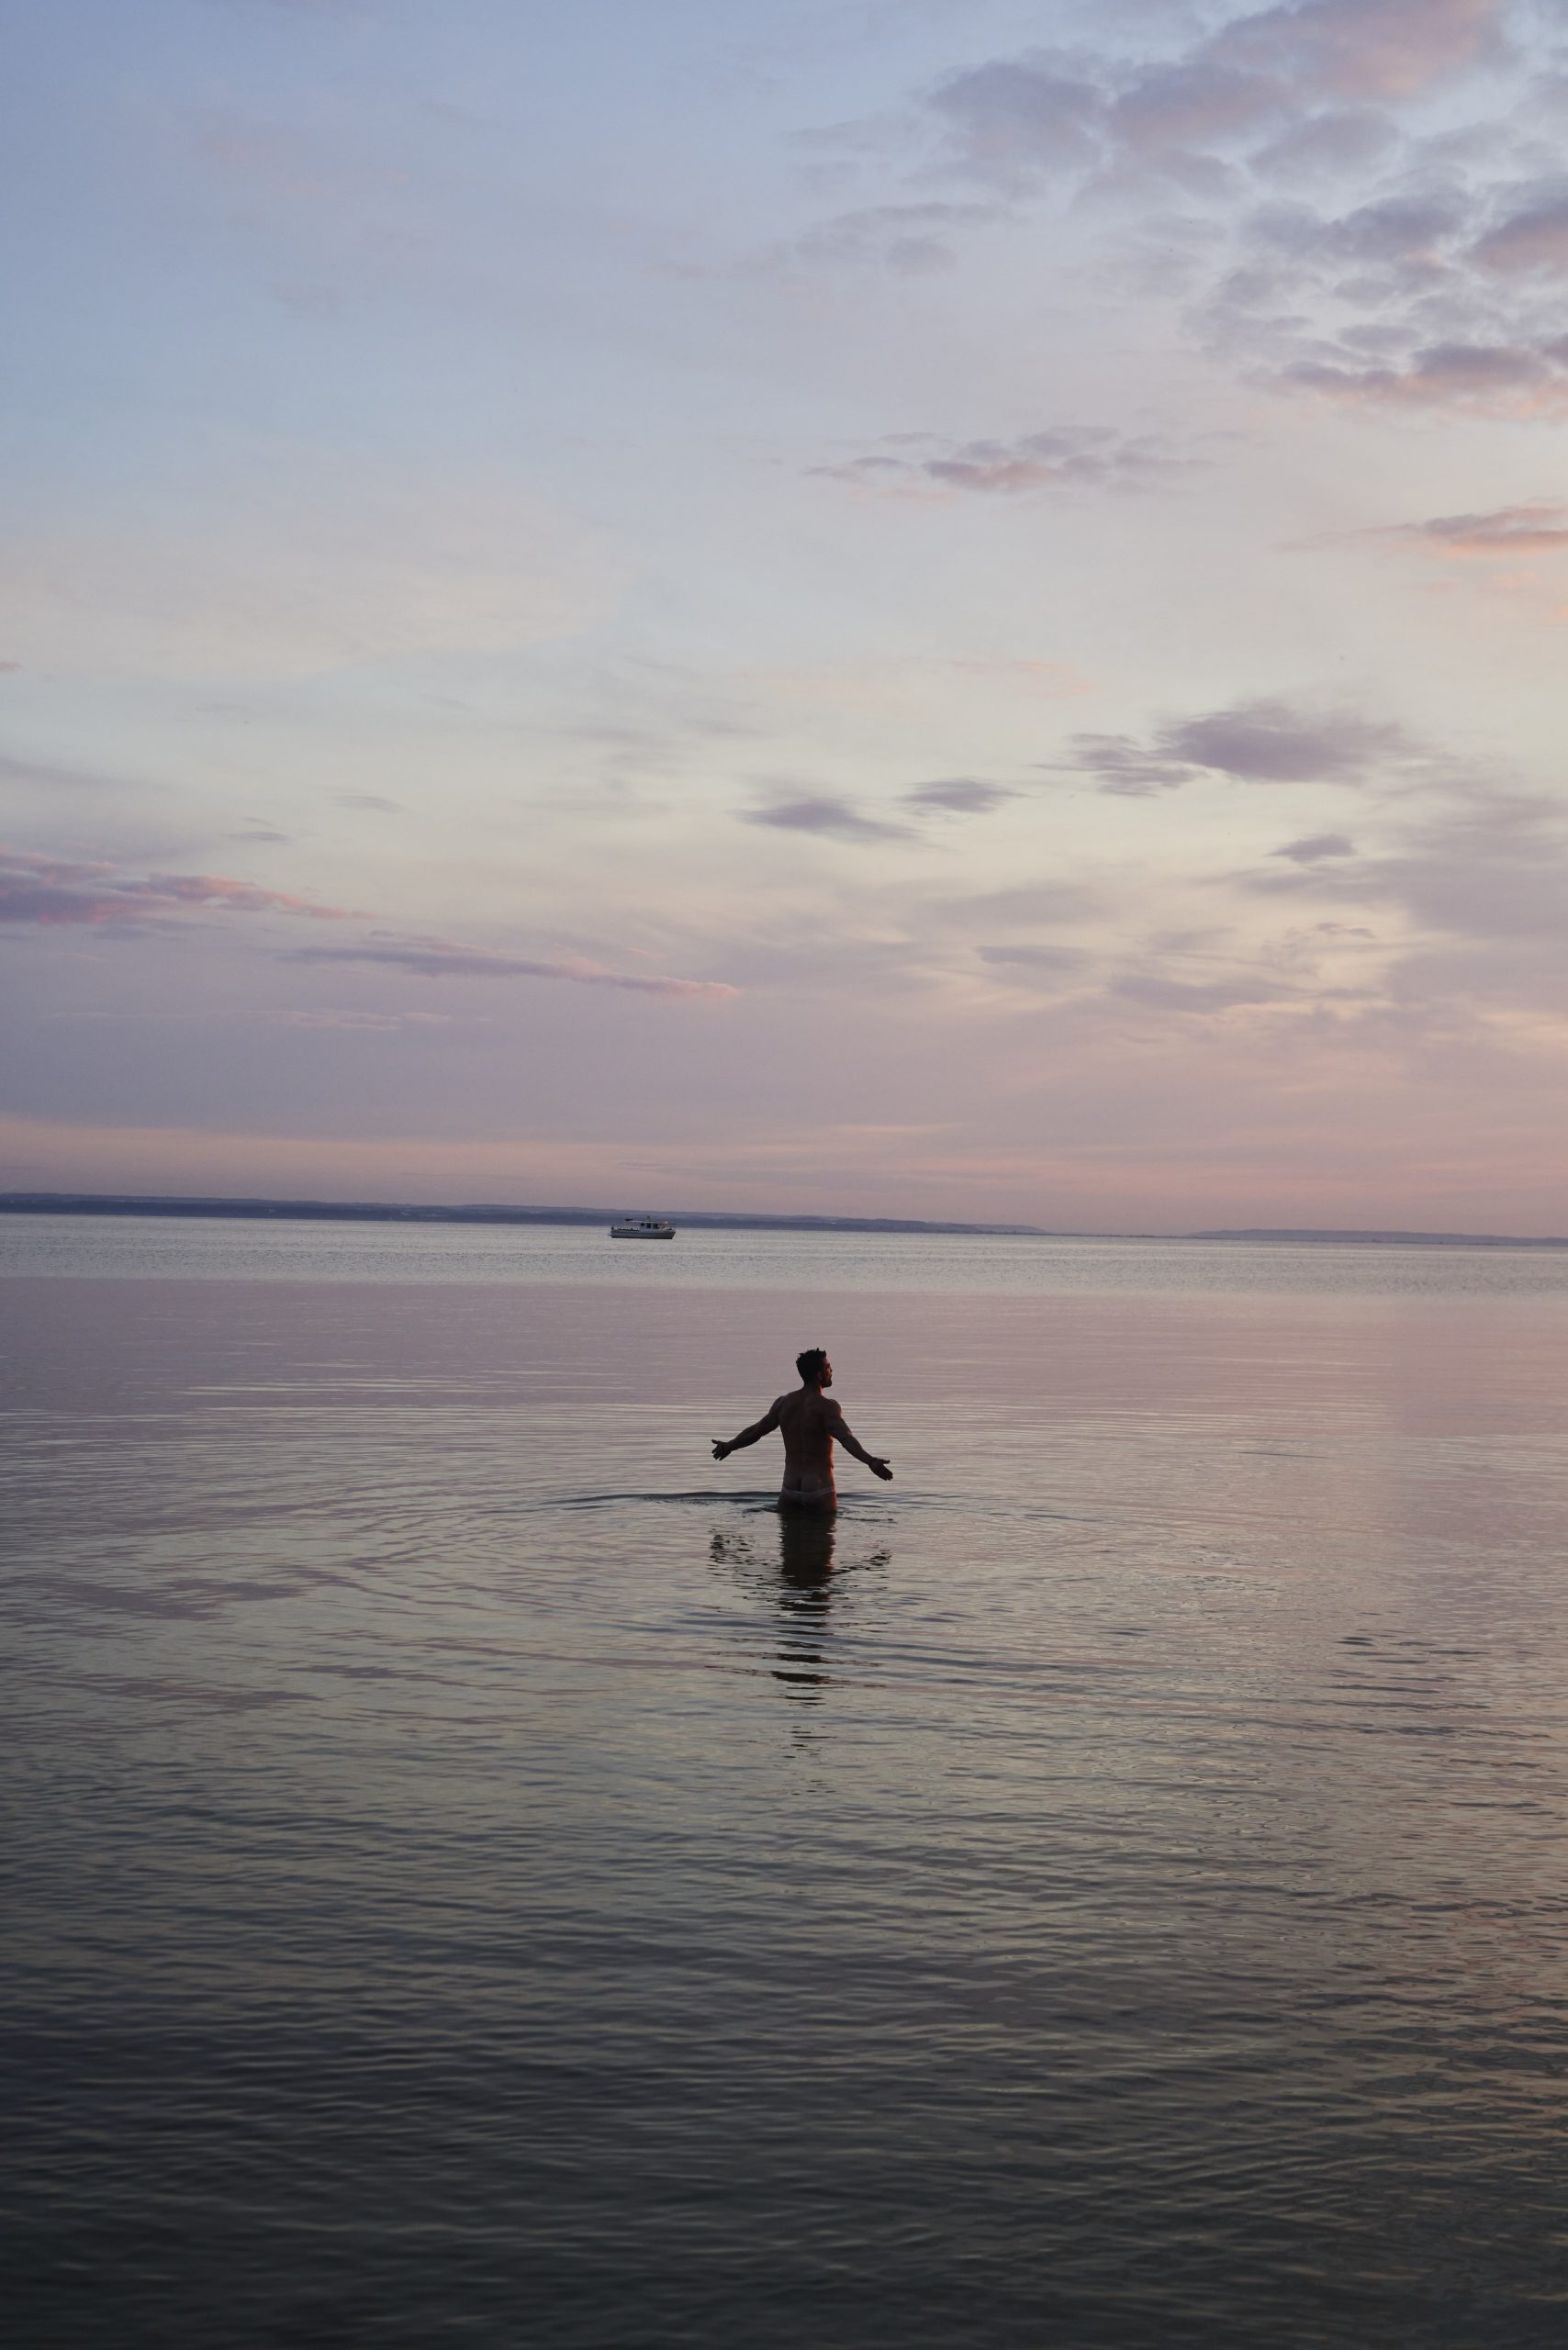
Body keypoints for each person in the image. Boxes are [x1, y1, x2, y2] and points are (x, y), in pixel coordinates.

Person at [711, 1347, 892, 1511]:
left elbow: (756, 1431)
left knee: (789, 1547)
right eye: (828, 1367)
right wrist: (870, 1461)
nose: (832, 1371)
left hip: (789, 1489)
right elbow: (846, 1439)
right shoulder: (826, 1406)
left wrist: (728, 1446)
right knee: (821, 1545)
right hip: (819, 1489)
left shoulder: (783, 1403)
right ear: (819, 1375)